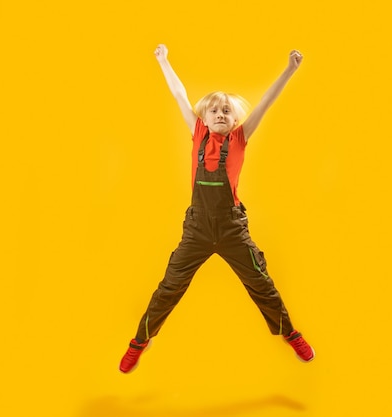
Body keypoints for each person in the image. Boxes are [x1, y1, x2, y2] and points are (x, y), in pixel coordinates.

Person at [119, 44, 314, 374]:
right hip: (197, 229)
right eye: (214, 111)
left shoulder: (239, 139)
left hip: (231, 228)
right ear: (203, 117)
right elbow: (179, 94)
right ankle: (140, 341)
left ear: (235, 119)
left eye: (226, 111)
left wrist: (290, 69)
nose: (220, 114)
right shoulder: (197, 134)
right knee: (169, 287)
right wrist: (163, 61)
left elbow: (266, 102)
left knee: (261, 283)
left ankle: (289, 333)